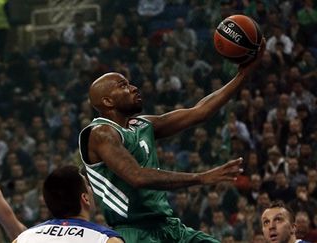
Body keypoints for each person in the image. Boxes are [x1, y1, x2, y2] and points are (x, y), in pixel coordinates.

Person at [78, 39, 266, 242]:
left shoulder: (141, 124)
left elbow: (199, 112)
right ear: (107, 101)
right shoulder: (101, 133)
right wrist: (200, 177)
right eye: (123, 85)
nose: (133, 88)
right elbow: (137, 177)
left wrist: (243, 74)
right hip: (133, 232)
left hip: (168, 226)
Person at [13, 165, 124, 243]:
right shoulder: (106, 240)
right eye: (88, 185)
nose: (92, 189)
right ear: (85, 198)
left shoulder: (23, 239)